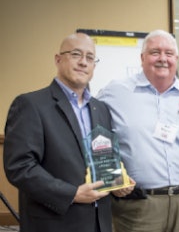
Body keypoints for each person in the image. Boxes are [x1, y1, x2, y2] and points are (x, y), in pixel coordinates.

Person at [3, 33, 134, 232]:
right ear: (58, 59)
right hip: (55, 223)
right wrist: (71, 193)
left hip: (100, 223)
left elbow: (103, 157)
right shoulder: (30, 105)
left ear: (94, 66)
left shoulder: (101, 109)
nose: (83, 62)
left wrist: (116, 184)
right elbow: (20, 167)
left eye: (90, 57)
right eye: (76, 54)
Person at [97, 29, 179, 232]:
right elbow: (95, 138)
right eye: (155, 52)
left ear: (177, 58)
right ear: (142, 57)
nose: (162, 59)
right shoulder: (115, 93)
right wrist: (112, 177)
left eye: (169, 53)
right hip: (138, 206)